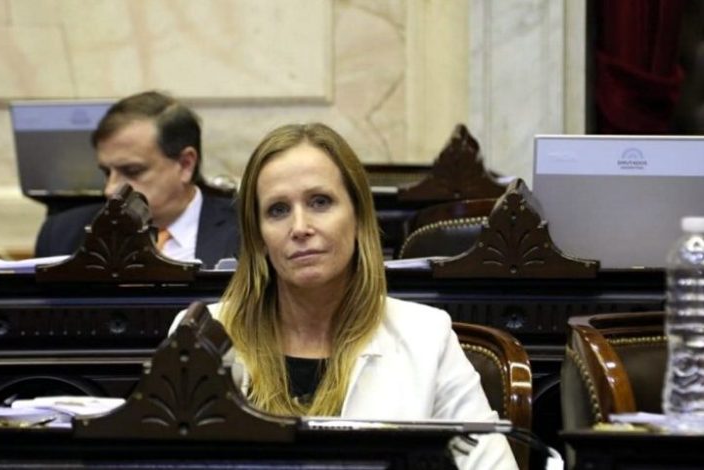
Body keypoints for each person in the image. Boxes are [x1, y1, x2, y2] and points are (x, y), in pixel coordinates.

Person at [169, 123, 518, 469]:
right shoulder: (201, 335)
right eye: (278, 210)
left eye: (320, 202)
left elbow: (492, 465)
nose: (300, 228)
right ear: (258, 236)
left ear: (358, 217)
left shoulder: (426, 336)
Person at [34, 90, 239, 268]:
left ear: (185, 164)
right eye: (106, 172)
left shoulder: (245, 231)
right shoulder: (61, 235)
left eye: (132, 171)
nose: (110, 189)